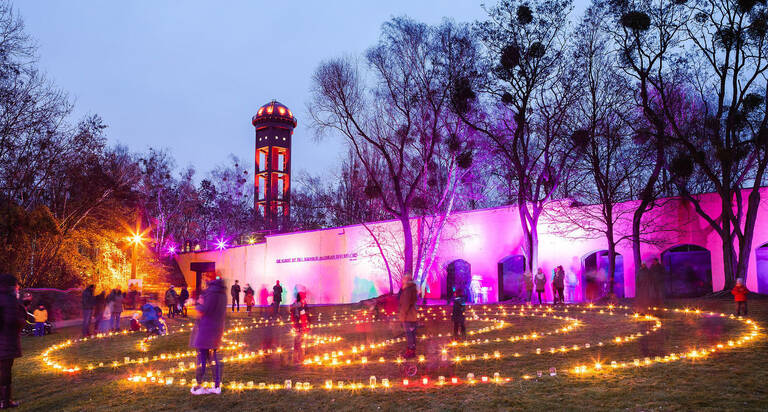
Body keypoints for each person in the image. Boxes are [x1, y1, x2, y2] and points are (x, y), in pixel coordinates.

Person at [190, 277, 227, 395]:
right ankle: (216, 386)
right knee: (213, 357)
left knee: (202, 358)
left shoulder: (210, 293)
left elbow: (204, 310)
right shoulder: (223, 294)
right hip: (217, 330)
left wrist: (199, 303)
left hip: (206, 330)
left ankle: (199, 385)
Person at [0, 274, 25, 408]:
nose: (18, 288)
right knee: (5, 371)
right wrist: (22, 318)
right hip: (5, 341)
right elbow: (13, 321)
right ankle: (5, 401)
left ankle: (4, 401)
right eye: (17, 286)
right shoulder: (9, 299)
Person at [399, 274, 418, 359]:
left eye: (403, 279)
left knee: (409, 334)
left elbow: (405, 305)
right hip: (413, 316)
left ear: (406, 280)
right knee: (412, 334)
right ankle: (412, 351)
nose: (402, 281)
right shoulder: (413, 289)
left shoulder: (407, 290)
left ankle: (410, 351)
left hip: (408, 317)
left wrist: (402, 316)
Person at [290, 292, 310, 364]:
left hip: (296, 326)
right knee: (300, 343)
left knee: (296, 343)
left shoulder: (293, 305)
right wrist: (305, 327)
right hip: (300, 326)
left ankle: (295, 358)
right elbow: (303, 317)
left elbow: (293, 315)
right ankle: (300, 359)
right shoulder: (301, 306)